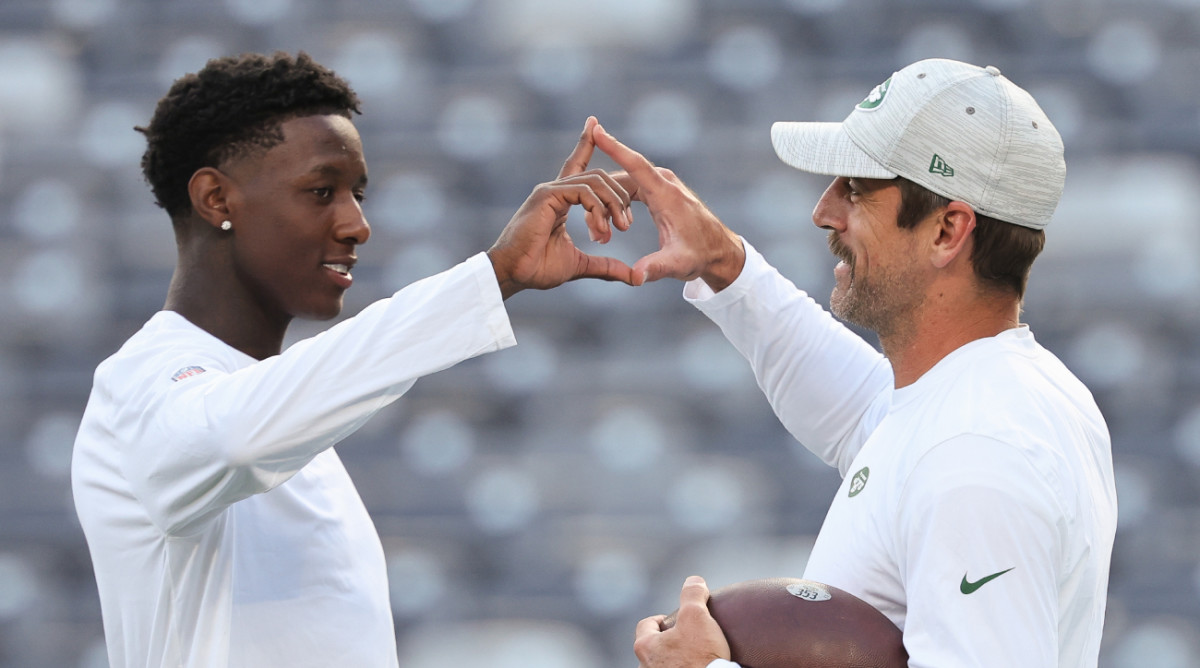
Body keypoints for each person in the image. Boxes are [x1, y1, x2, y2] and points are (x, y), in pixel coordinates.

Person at [70, 51, 636, 668]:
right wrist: (490, 278)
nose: (358, 225)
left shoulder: (283, 410)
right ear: (215, 198)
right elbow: (233, 441)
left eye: (357, 194)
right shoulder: (141, 381)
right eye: (321, 191)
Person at [593, 58, 1118, 667]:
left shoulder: (977, 449)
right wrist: (723, 261)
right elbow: (857, 407)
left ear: (948, 230)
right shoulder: (983, 396)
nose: (823, 210)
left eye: (858, 188)